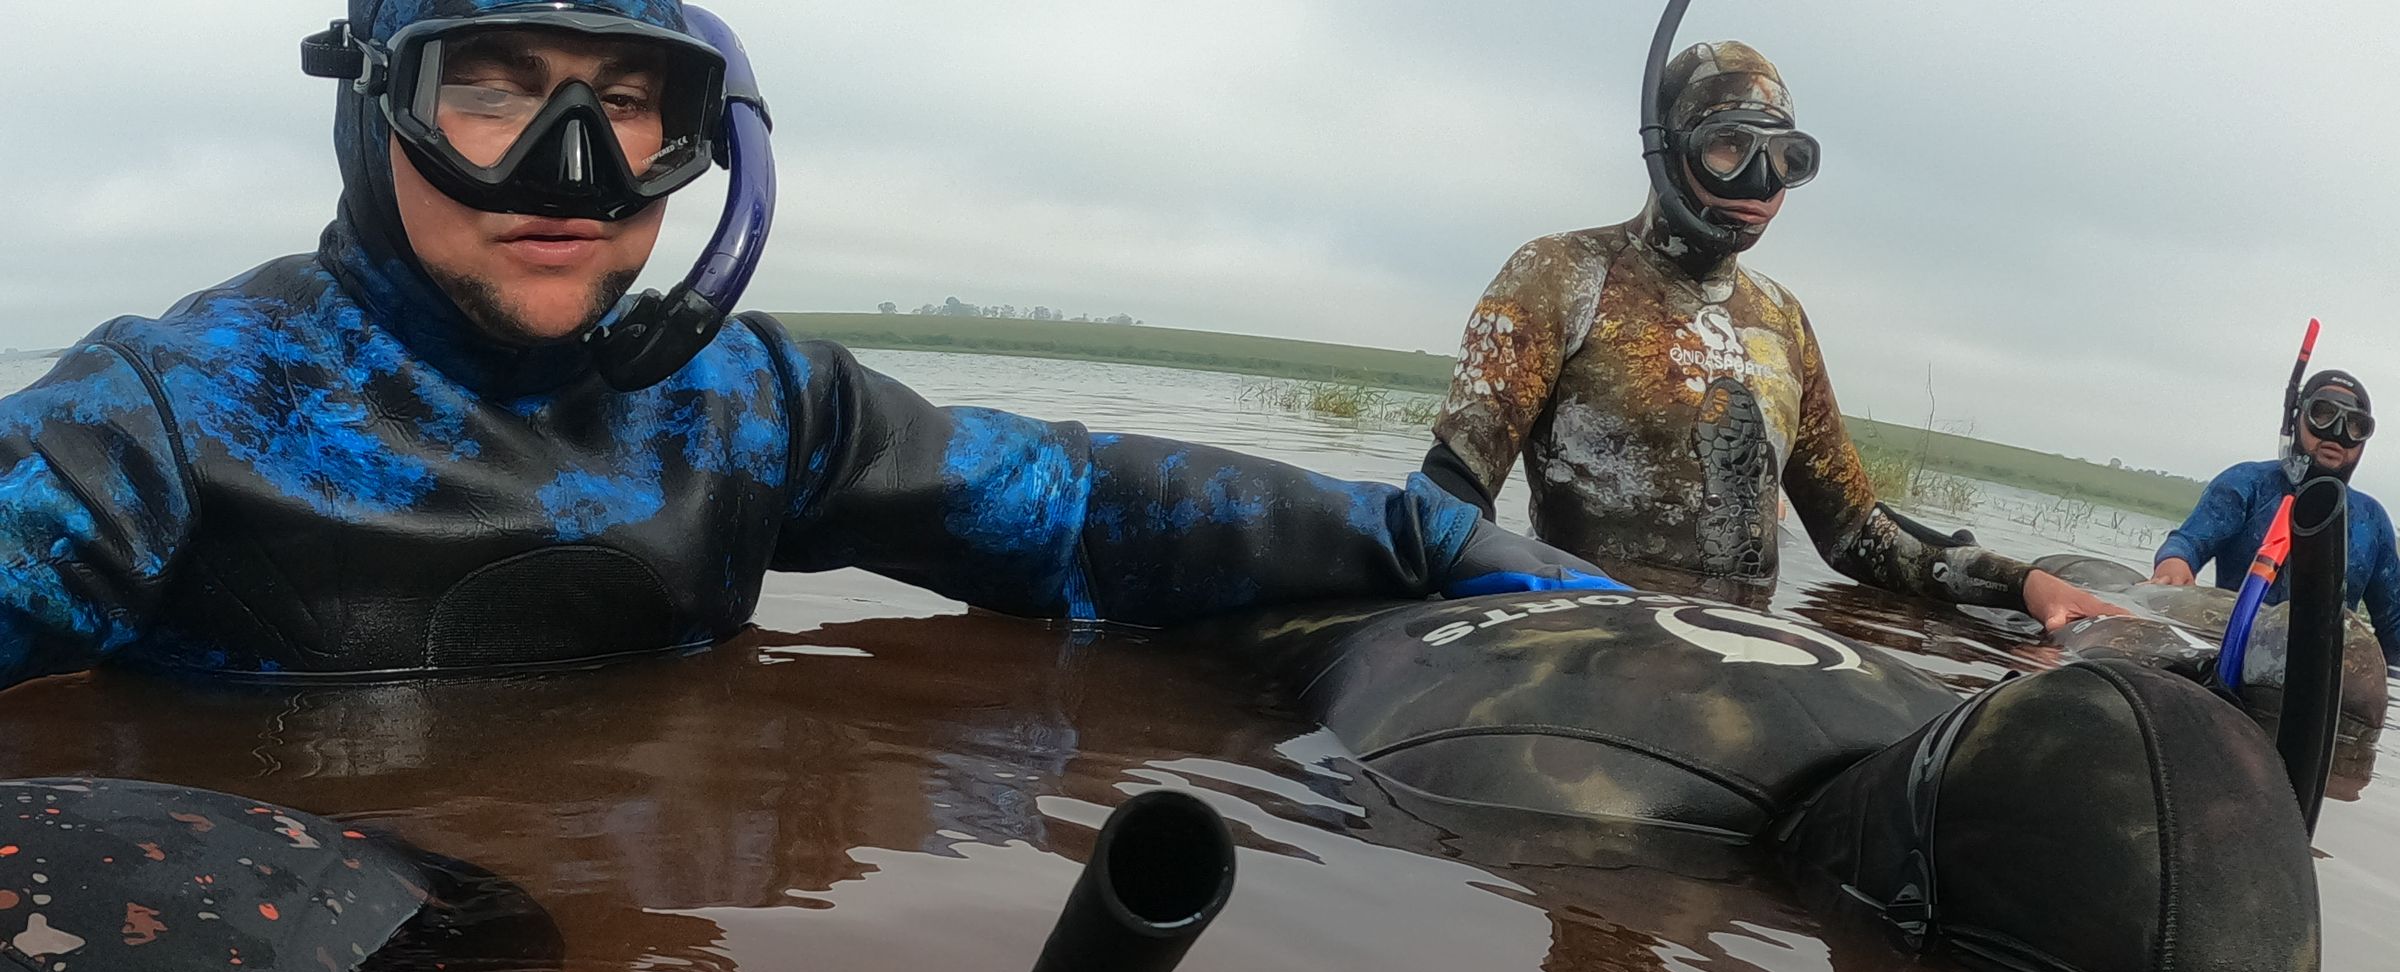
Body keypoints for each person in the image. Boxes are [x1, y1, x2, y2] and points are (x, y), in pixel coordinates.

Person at [0, 0, 1604, 696]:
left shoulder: (746, 407)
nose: (573, 169)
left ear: (706, 139)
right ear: (377, 109)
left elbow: (1078, 516)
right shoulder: (166, 417)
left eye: (630, 105)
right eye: (492, 88)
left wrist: (1427, 541)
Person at [1416, 12, 2118, 633]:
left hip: (1740, 661)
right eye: (1728, 147)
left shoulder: (1781, 319)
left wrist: (2020, 583)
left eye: (1787, 159)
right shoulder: (1562, 273)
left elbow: (1855, 533)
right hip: (1588, 642)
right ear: (1667, 146)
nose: (1760, 182)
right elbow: (1453, 499)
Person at [2150, 370, 2400, 664]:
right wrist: (2174, 563)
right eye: (2322, 414)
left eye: (2355, 426)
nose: (2337, 433)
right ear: (2296, 418)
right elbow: (2189, 544)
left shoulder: (2371, 520)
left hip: (2321, 673)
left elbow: (2393, 623)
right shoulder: (2248, 483)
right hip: (2230, 655)